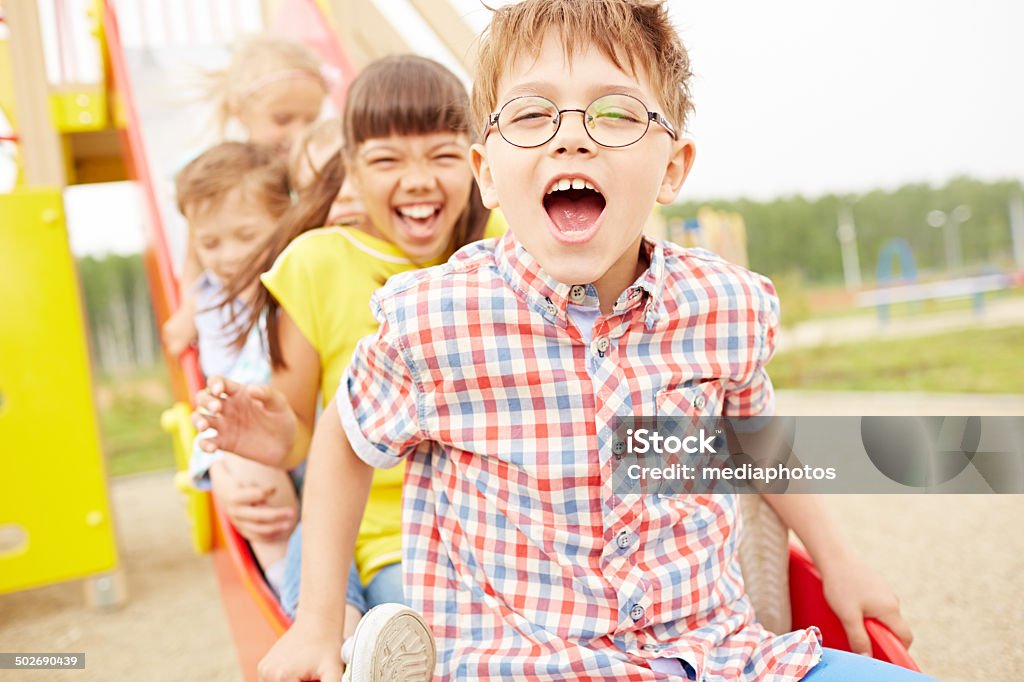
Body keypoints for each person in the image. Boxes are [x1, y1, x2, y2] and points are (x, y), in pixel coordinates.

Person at [252, 2, 941, 681]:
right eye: (530, 113)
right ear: (487, 173)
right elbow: (344, 436)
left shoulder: (722, 305)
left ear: (673, 166)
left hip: (720, 655)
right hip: (525, 664)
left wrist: (839, 561)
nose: (571, 137)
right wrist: (318, 621)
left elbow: (752, 437)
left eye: (614, 113)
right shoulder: (438, 321)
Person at [191, 55, 501, 673]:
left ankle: (356, 643)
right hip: (366, 528)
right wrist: (271, 438)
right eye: (387, 160)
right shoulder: (317, 264)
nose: (416, 180)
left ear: (476, 164)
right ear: (352, 171)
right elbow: (305, 433)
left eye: (441, 156)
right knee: (356, 617)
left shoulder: (501, 250)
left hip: (468, 529)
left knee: (431, 627)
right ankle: (347, 643)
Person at [177, 142, 300, 594]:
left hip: (307, 427)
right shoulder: (206, 299)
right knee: (249, 480)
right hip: (247, 437)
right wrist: (219, 469)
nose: (227, 255)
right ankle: (290, 593)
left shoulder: (293, 279)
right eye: (210, 243)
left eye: (245, 236)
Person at [162, 35, 328, 359]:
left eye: (310, 120)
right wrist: (188, 310)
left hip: (293, 308)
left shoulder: (311, 171)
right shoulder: (219, 178)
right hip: (238, 308)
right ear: (241, 111)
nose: (298, 134)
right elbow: (195, 252)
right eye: (282, 119)